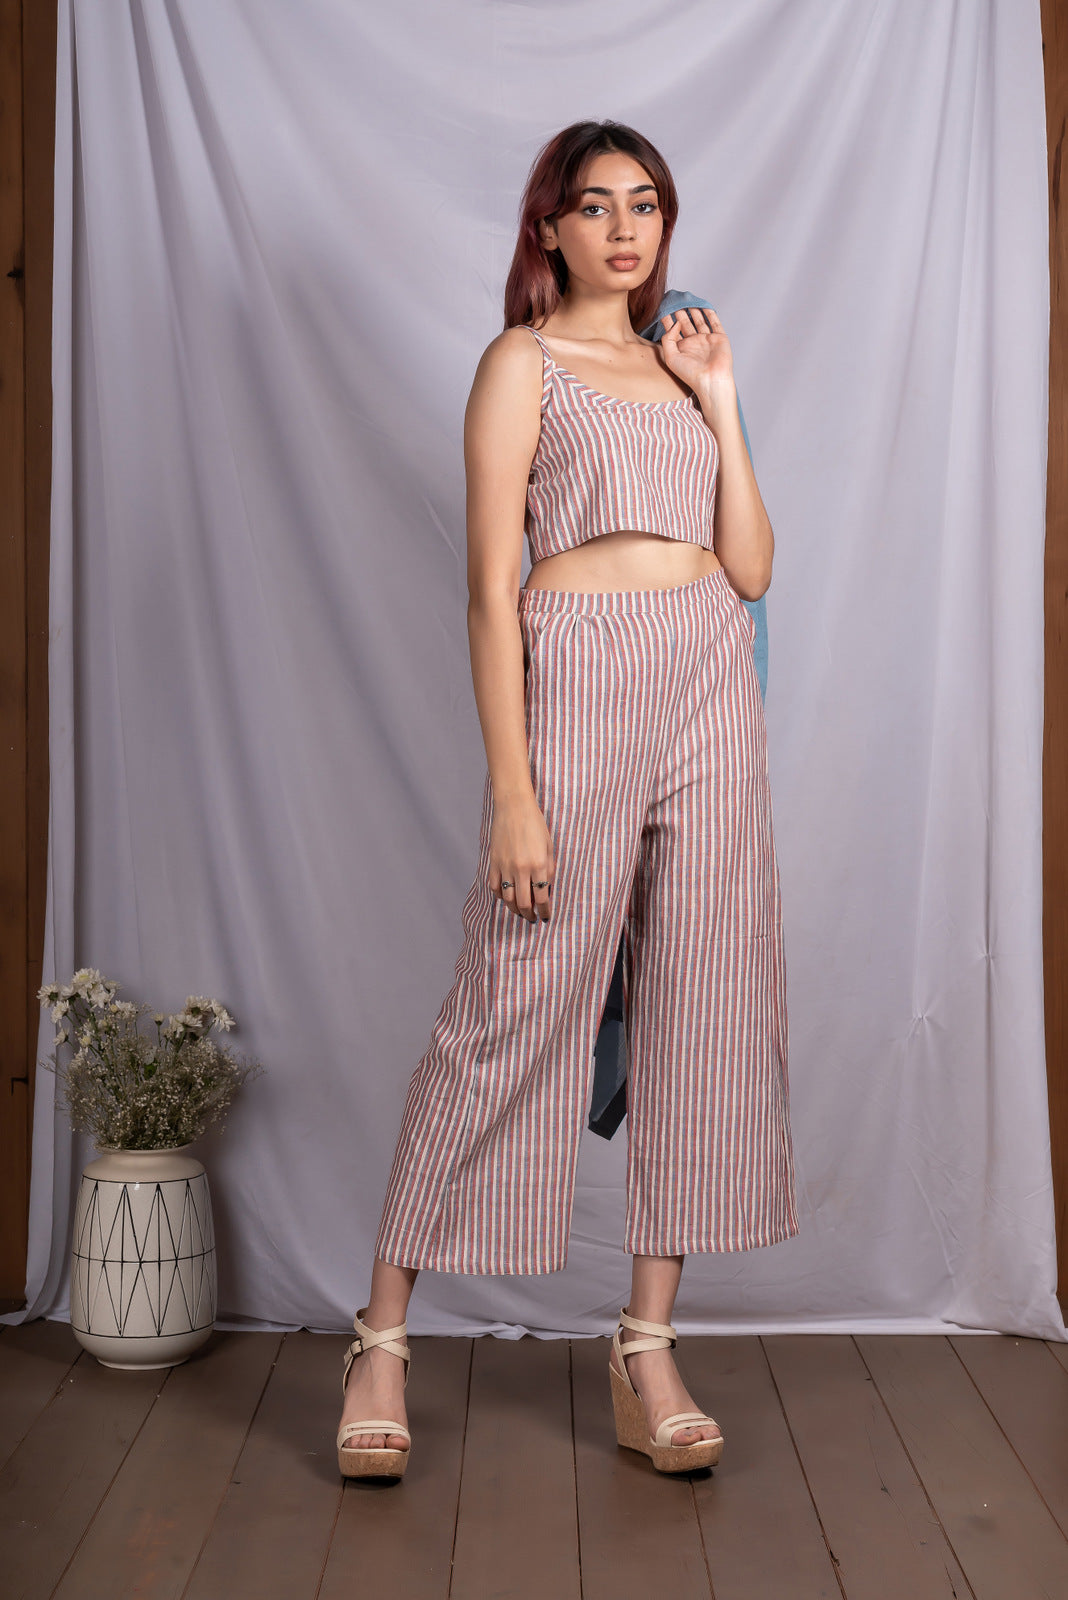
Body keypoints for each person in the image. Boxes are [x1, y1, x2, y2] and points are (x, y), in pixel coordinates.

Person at [336, 119, 800, 1482]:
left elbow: (754, 567)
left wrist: (721, 395)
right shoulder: (521, 364)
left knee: (703, 1003)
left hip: (709, 670)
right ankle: (380, 1341)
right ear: (550, 228)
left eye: (645, 205)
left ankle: (647, 1348)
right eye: (595, 206)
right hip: (579, 671)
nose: (624, 229)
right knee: (511, 1001)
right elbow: (491, 592)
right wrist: (515, 794)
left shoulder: (685, 363)